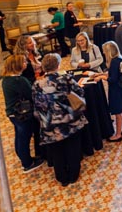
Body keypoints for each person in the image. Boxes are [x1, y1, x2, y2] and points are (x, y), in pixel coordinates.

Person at [32, 53, 88, 186]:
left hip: (50, 125)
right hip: (69, 123)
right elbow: (80, 93)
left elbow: (36, 104)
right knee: (73, 148)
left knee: (57, 152)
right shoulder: (66, 79)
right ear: (58, 66)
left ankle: (62, 177)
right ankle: (73, 175)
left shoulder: (37, 85)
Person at [1, 55, 43, 173]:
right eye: (24, 62)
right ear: (17, 65)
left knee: (19, 137)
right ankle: (27, 163)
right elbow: (32, 94)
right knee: (25, 138)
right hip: (22, 114)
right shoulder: (19, 80)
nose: (26, 63)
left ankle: (23, 158)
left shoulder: (6, 79)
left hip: (12, 114)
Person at [99, 41, 122, 142]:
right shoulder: (119, 59)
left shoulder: (113, 62)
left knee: (118, 113)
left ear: (109, 52)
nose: (103, 53)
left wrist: (102, 77)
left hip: (116, 91)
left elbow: (112, 80)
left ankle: (117, 135)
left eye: (104, 51)